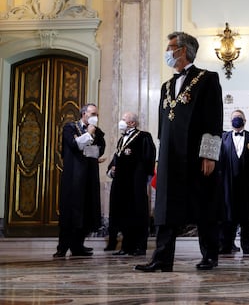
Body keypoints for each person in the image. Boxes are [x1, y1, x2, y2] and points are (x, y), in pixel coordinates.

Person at [134, 32, 223, 272]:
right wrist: (159, 160)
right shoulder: (167, 86)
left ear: (182, 50)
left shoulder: (207, 79)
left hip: (196, 155)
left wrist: (210, 154)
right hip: (169, 156)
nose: (167, 51)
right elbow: (163, 125)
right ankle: (162, 259)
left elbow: (214, 119)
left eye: (170, 47)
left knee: (203, 204)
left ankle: (210, 255)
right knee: (165, 207)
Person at [53, 103, 106, 258]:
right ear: (84, 114)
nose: (95, 117)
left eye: (96, 114)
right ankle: (62, 248)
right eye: (92, 113)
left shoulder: (99, 132)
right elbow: (72, 144)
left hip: (88, 177)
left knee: (86, 212)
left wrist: (86, 148)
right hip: (73, 177)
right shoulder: (70, 128)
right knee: (69, 212)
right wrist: (88, 136)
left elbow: (98, 150)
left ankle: (78, 246)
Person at [107, 112, 156, 256]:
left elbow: (149, 157)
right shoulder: (121, 140)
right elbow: (118, 158)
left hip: (136, 183)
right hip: (123, 184)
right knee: (125, 214)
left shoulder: (143, 137)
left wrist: (143, 177)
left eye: (123, 119)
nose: (121, 122)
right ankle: (126, 246)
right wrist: (113, 169)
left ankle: (140, 247)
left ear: (132, 123)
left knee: (138, 213)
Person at [219, 109, 249, 255]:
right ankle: (226, 245)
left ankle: (247, 246)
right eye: (234, 118)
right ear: (230, 121)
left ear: (244, 121)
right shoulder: (223, 138)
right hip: (227, 184)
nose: (237, 120)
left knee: (246, 218)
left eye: (239, 117)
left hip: (247, 185)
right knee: (228, 217)